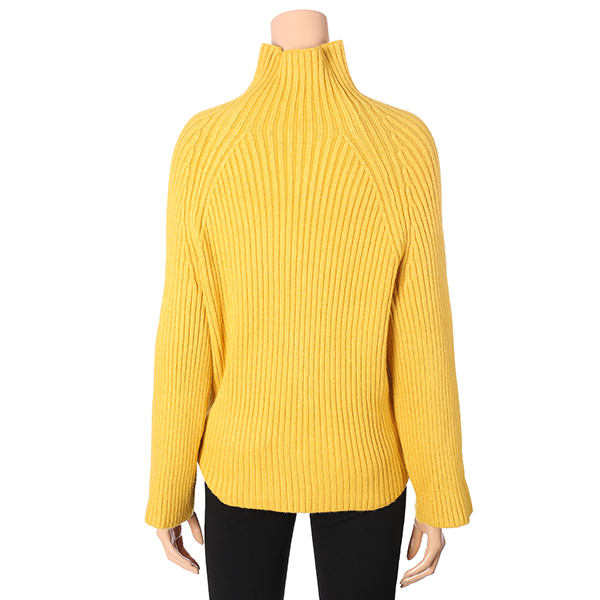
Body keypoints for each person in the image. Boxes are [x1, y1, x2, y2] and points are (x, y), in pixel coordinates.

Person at [145, 9, 473, 599]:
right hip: (363, 461)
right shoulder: (402, 142)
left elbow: (185, 335)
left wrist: (169, 489)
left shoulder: (206, 142)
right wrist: (437, 491)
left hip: (243, 461)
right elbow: (422, 338)